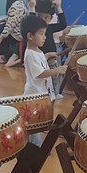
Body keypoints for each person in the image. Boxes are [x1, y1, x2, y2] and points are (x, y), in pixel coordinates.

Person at [21, 14, 67, 147]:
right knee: (33, 125)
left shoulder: (37, 51)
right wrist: (58, 70)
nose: (45, 37)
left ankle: (35, 147)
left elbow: (40, 64)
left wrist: (46, 57)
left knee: (38, 122)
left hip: (41, 94)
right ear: (30, 36)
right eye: (41, 34)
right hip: (34, 96)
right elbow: (40, 73)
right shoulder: (30, 54)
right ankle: (34, 149)